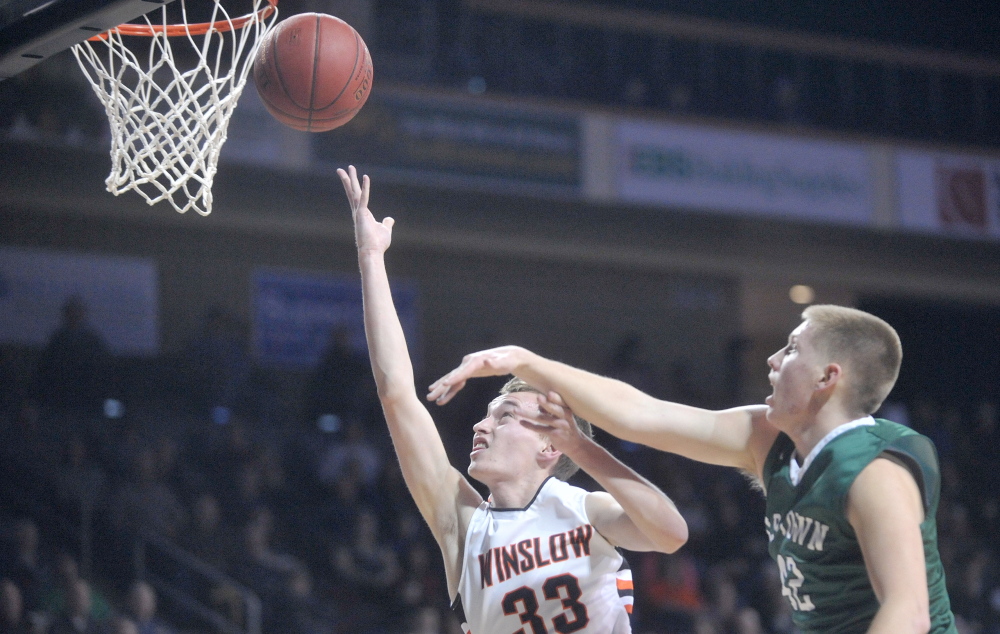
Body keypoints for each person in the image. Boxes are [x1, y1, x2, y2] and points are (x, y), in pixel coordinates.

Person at [429, 305, 958, 633]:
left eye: (792, 349)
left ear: (828, 378)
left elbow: (909, 614)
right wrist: (523, 361)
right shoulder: (766, 439)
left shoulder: (877, 468)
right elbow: (640, 414)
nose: (773, 360)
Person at [338, 165, 688, 634]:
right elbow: (397, 394)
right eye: (486, 416)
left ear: (550, 445)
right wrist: (370, 257)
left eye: (504, 416)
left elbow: (671, 534)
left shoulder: (585, 510)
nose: (481, 427)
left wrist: (583, 449)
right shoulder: (462, 522)